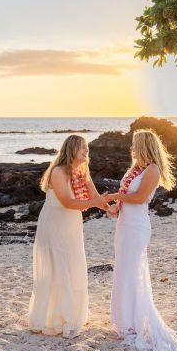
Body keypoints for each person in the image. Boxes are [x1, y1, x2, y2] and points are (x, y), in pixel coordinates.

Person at [105, 129, 177, 351]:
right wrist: (115, 208)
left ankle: (135, 321)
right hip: (124, 224)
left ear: (143, 146)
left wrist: (115, 197)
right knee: (123, 270)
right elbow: (126, 194)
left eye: (134, 144)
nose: (131, 148)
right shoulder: (136, 169)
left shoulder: (152, 170)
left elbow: (140, 198)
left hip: (137, 226)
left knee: (133, 271)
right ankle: (126, 320)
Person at [28, 135, 109, 338]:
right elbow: (68, 203)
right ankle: (54, 317)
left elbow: (94, 196)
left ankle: (72, 312)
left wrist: (110, 207)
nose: (86, 152)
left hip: (71, 223)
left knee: (72, 264)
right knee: (57, 266)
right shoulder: (58, 171)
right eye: (83, 148)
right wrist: (98, 202)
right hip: (55, 221)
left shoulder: (82, 170)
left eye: (87, 149)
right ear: (72, 149)